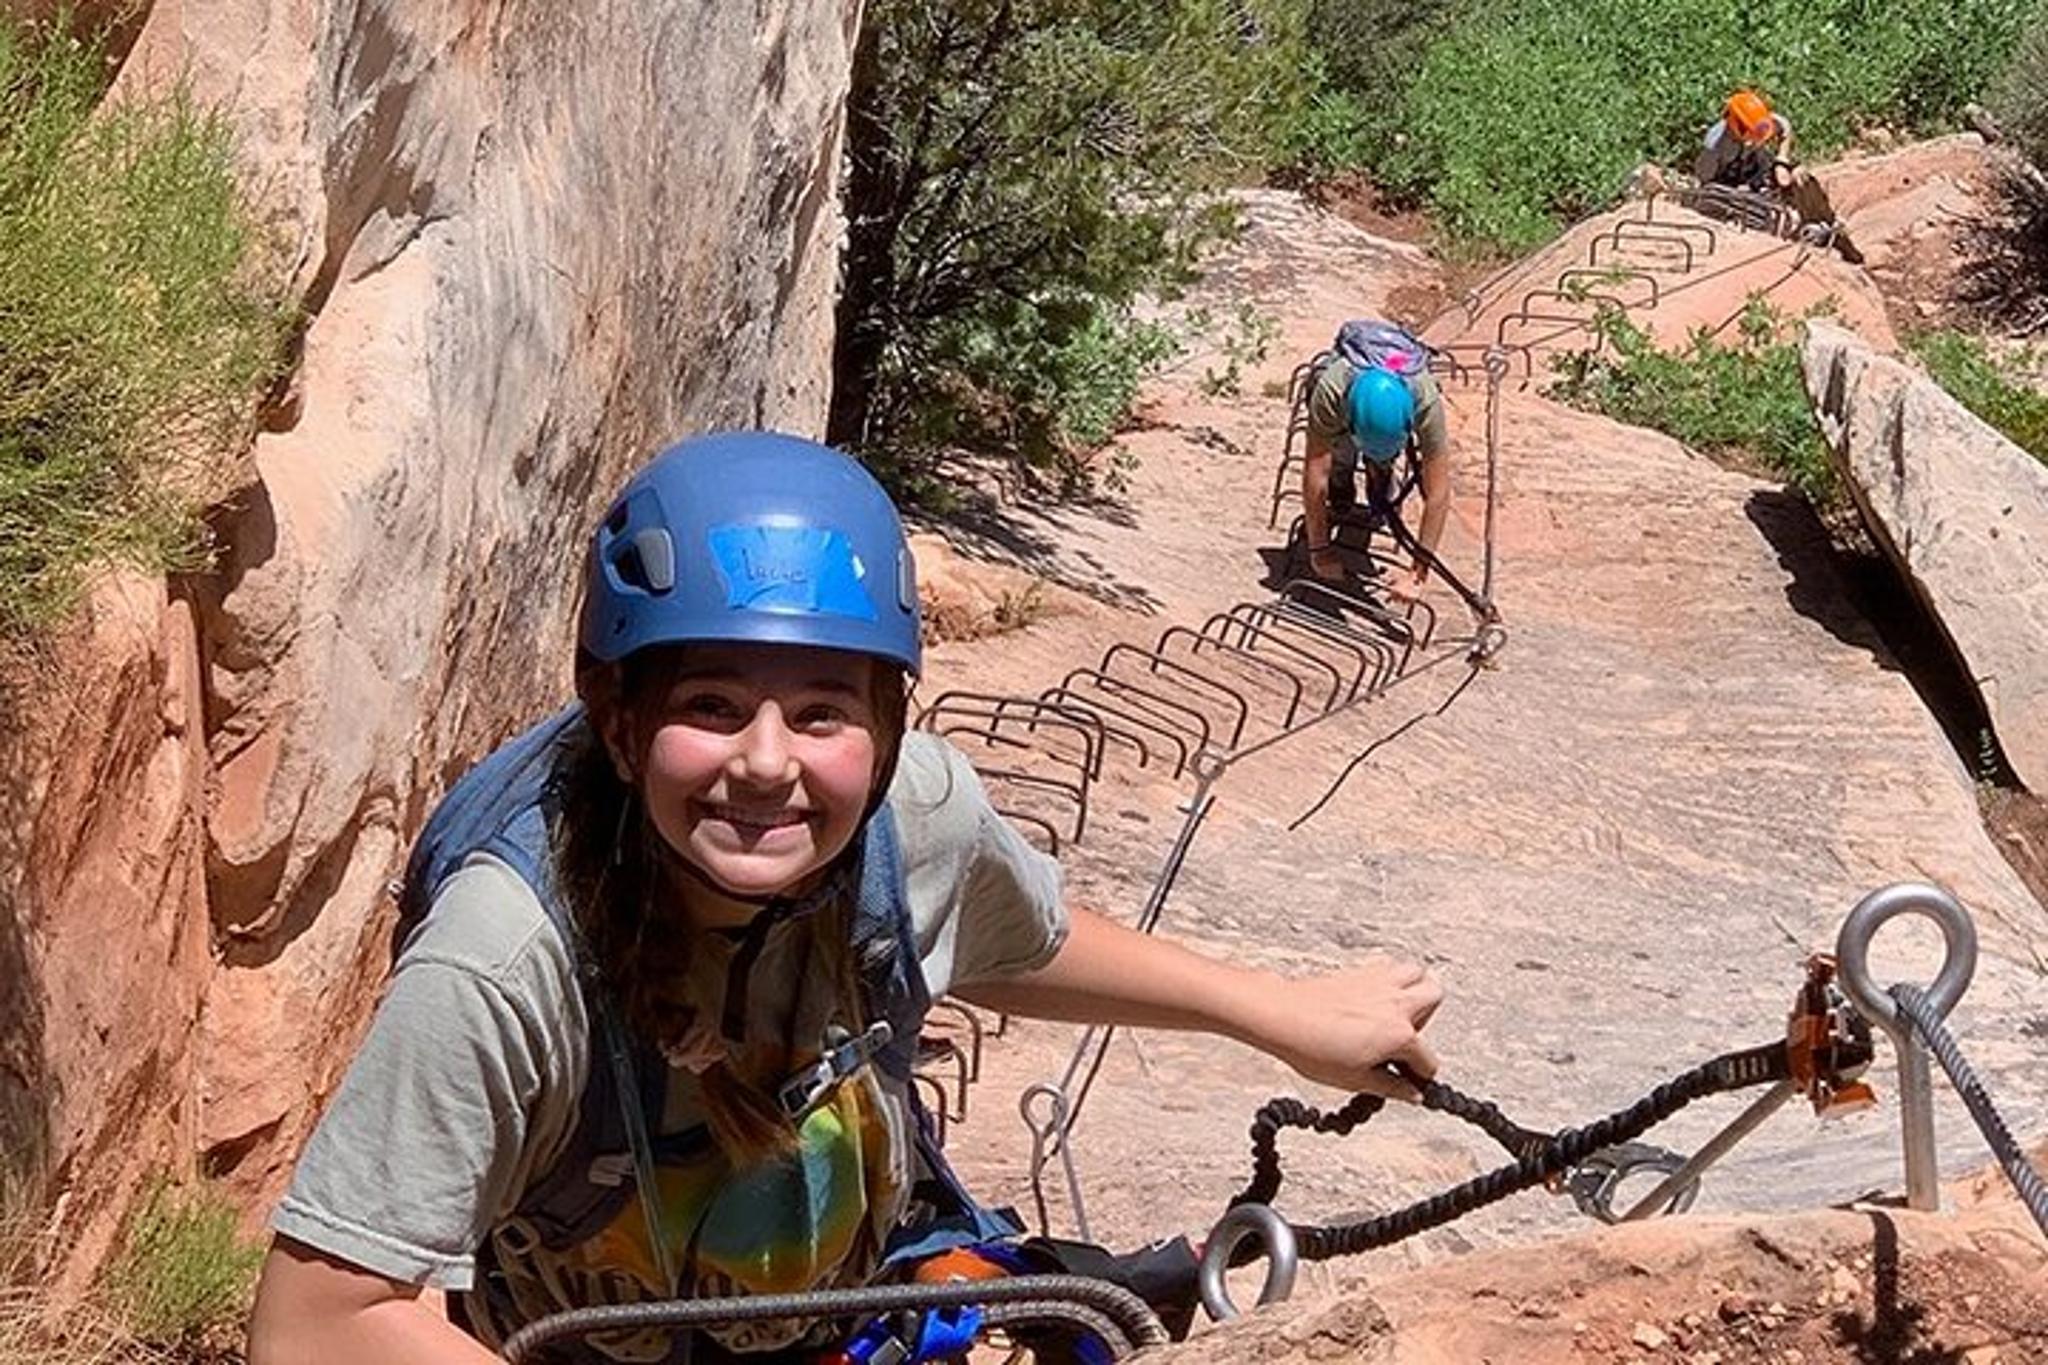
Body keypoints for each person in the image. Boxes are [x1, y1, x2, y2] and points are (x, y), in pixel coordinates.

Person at [244, 431, 1446, 1364]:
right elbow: (319, 1320)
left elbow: (1012, 944)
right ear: (619, 724)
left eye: (821, 712)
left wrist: (1276, 1012)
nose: (766, 762)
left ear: (884, 728)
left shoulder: (910, 818)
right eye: (709, 705)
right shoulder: (509, 956)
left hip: (844, 1312)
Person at [1300, 321, 1453, 603]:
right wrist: (1319, 549)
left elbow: (1439, 492)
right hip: (1346, 413)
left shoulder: (1425, 398)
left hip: (1394, 381)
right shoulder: (1332, 389)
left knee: (1380, 469)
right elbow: (1314, 471)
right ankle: (1342, 492)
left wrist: (1418, 573)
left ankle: (1380, 486)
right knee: (1339, 460)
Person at [1694, 90, 1863, 264]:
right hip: (1733, 186)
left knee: (1801, 177)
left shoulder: (1761, 123)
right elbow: (1706, 181)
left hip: (1759, 170)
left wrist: (1782, 160)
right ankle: (1794, 234)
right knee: (1756, 212)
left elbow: (1784, 126)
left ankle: (1829, 226)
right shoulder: (1714, 147)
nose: (1755, 140)